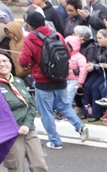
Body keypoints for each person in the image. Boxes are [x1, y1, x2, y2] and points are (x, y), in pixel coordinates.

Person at [0, 51, 63, 172]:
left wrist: (27, 125)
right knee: (17, 171)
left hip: (29, 131)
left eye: (5, 60)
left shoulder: (18, 81)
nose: (3, 64)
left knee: (40, 165)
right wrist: (16, 127)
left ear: (11, 63)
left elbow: (31, 105)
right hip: (11, 135)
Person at [18, 12, 88, 149]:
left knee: (46, 111)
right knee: (64, 105)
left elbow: (23, 61)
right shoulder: (56, 34)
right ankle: (80, 126)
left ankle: (55, 141)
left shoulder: (30, 39)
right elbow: (67, 54)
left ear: (30, 25)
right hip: (61, 77)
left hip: (43, 80)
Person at [64, 35, 88, 109]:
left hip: (75, 81)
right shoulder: (65, 55)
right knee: (63, 95)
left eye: (68, 46)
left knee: (68, 95)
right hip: (65, 79)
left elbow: (83, 70)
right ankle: (62, 111)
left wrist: (80, 82)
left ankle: (66, 112)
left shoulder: (80, 57)